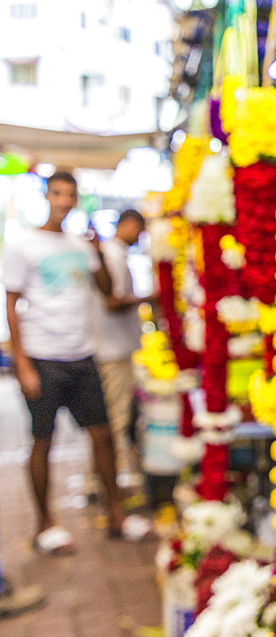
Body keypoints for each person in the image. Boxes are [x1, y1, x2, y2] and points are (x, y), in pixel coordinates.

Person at [3, 172, 149, 554]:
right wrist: (22, 363)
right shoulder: (23, 245)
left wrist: (98, 251)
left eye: (70, 194)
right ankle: (44, 524)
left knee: (102, 435)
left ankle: (116, 514)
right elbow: (12, 305)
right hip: (43, 355)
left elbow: (105, 292)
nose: (64, 201)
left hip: (83, 354)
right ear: (46, 196)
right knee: (42, 440)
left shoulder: (80, 245)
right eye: (58, 193)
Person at [91, 209, 148, 488]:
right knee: (115, 419)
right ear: (129, 224)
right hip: (112, 348)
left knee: (111, 419)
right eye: (140, 229)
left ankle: (103, 481)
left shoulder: (112, 253)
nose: (141, 236)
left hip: (112, 346)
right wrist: (149, 298)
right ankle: (107, 484)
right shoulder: (111, 254)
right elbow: (111, 302)